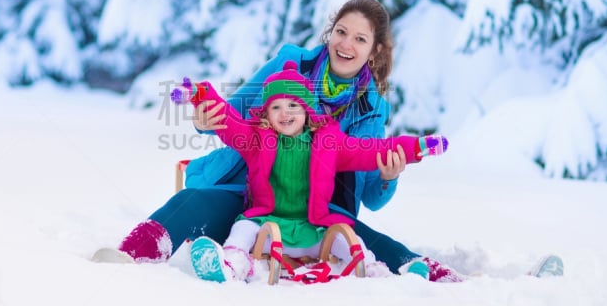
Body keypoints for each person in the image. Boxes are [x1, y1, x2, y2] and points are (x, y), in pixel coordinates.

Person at [101, 0, 463, 281]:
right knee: (193, 201)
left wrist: (388, 177)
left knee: (366, 239)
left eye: (360, 38)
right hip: (251, 191)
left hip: (318, 213)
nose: (346, 44)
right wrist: (205, 118)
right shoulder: (289, 65)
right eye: (341, 31)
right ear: (330, 32)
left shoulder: (372, 108)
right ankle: (136, 252)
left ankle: (422, 270)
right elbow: (234, 112)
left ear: (375, 51)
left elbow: (371, 194)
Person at [170, 61, 448, 282]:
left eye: (293, 105)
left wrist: (418, 147)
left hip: (314, 227)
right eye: (275, 107)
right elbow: (228, 120)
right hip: (266, 222)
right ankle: (232, 265)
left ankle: (378, 273)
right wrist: (200, 94)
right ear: (266, 115)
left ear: (307, 112)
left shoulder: (329, 143)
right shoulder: (257, 139)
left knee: (351, 240)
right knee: (241, 229)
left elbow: (374, 149)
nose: (285, 112)